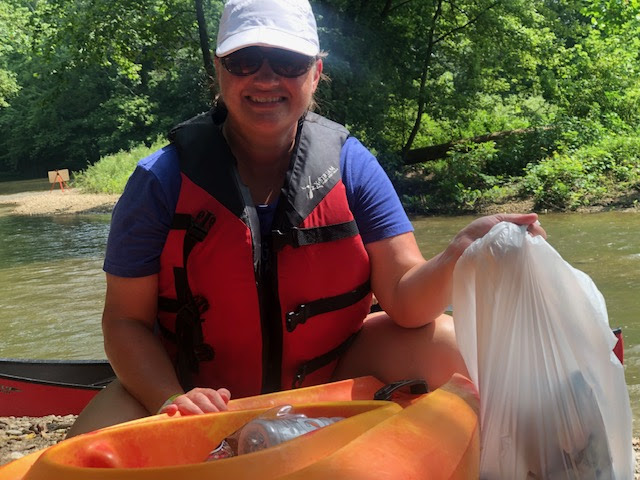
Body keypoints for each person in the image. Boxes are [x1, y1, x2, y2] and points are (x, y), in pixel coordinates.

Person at [68, 0, 545, 436]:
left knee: (452, 344)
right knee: (83, 449)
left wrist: (461, 252)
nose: (266, 78)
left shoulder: (352, 166)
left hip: (330, 371)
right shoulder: (160, 181)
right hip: (195, 386)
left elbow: (405, 301)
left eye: (289, 63)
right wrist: (169, 398)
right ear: (219, 71)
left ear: (315, 73)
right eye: (244, 61)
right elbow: (125, 322)